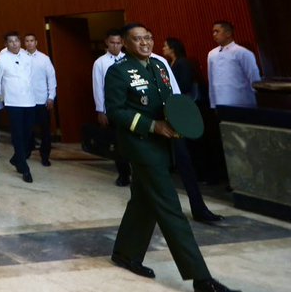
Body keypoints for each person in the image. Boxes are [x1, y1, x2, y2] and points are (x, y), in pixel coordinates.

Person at [105, 23, 240, 292]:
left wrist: (177, 124)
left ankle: (125, 253)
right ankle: (201, 278)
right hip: (141, 146)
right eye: (137, 39)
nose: (144, 43)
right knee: (170, 208)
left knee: (143, 201)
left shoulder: (159, 66)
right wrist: (152, 125)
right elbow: (116, 111)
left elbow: (171, 101)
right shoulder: (118, 71)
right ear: (126, 44)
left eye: (148, 37)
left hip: (165, 143)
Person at [161, 38, 225, 223]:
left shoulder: (176, 63)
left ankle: (202, 189)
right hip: (169, 115)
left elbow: (181, 86)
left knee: (191, 151)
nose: (162, 48)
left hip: (182, 112)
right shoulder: (167, 63)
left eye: (165, 45)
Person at [0, 31, 35, 182]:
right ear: (6, 44)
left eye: (16, 41)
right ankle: (24, 168)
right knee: (17, 134)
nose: (14, 44)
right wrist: (2, 97)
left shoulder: (27, 57)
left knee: (28, 133)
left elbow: (30, 77)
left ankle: (16, 158)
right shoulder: (1, 60)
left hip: (29, 100)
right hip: (12, 102)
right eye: (10, 41)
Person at [92, 29, 131, 186]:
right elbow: (98, 87)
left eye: (118, 43)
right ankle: (123, 175)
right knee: (118, 142)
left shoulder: (129, 59)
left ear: (123, 43)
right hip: (112, 109)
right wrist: (101, 110)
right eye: (112, 43)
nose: (115, 46)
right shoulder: (100, 62)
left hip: (130, 107)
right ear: (107, 43)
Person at [207, 21, 261, 109]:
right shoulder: (211, 54)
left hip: (242, 102)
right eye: (213, 32)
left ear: (228, 33)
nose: (214, 34)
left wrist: (257, 100)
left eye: (217, 31)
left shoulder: (242, 52)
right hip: (220, 103)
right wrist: (213, 104)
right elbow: (211, 81)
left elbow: (253, 77)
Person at [23, 32, 56, 167]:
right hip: (25, 100)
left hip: (42, 100)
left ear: (36, 42)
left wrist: (51, 97)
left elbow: (51, 78)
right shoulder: (20, 58)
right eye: (27, 41)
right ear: (24, 43)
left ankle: (45, 156)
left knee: (45, 131)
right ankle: (26, 151)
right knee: (27, 128)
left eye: (32, 40)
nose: (29, 43)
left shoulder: (44, 59)